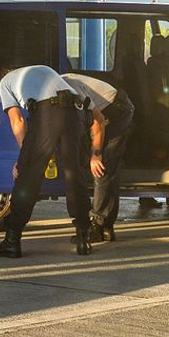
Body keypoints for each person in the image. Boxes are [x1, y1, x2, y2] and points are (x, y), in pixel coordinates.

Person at [0, 65, 92, 258]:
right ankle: (83, 238)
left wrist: (24, 156)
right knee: (74, 174)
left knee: (28, 175)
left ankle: (12, 241)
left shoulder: (4, 83)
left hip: (48, 113)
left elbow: (17, 120)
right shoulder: (41, 69)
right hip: (75, 112)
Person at [61, 73, 135, 242]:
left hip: (116, 111)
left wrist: (96, 154)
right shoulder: (58, 87)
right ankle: (106, 227)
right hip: (107, 109)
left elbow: (98, 121)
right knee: (101, 167)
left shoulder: (69, 88)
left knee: (102, 166)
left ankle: (99, 225)